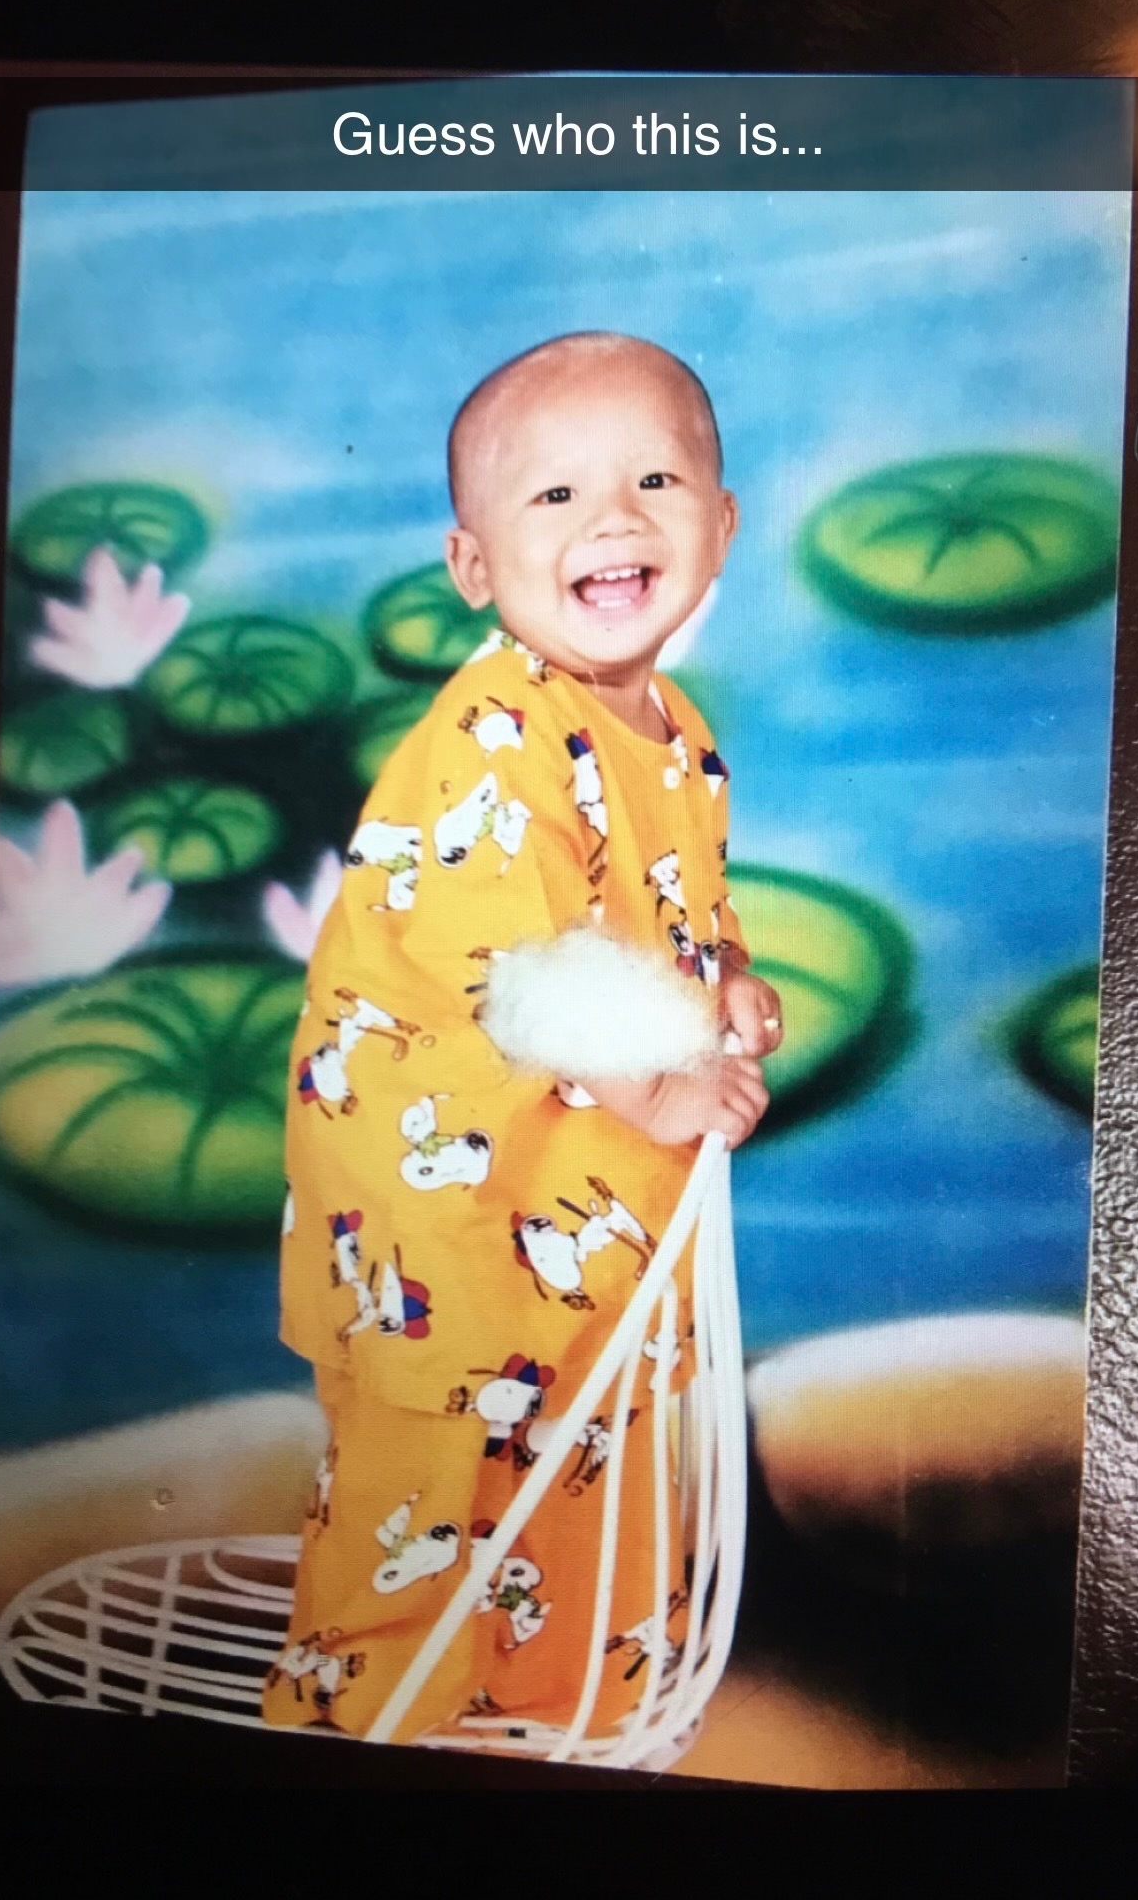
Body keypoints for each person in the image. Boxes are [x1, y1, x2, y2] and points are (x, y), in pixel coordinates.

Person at [263, 331, 782, 1752]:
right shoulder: (495, 733)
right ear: (474, 564)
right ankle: (359, 1737)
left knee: (587, 1460)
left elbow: (678, 906)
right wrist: (662, 1089)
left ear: (721, 522)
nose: (612, 520)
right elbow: (528, 976)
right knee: (425, 1485)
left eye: (654, 482)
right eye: (554, 496)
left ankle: (567, 1724)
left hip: (580, 1193)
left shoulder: (674, 730)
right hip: (445, 1203)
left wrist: (728, 977)